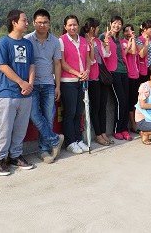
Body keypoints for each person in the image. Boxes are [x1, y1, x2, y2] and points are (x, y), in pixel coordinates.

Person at [0, 10, 35, 176]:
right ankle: (0, 158)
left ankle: (15, 155)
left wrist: (29, 84)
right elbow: (3, 66)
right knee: (4, 128)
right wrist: (21, 82)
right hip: (7, 92)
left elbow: (32, 65)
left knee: (20, 128)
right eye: (24, 20)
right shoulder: (3, 42)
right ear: (14, 22)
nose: (27, 23)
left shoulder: (28, 44)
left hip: (25, 93)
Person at [24, 9, 65, 164]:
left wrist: (57, 86)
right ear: (33, 23)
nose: (42, 25)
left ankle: (43, 150)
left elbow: (57, 64)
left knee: (48, 117)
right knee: (33, 114)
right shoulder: (27, 40)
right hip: (32, 84)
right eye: (39, 22)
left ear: (49, 23)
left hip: (48, 83)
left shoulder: (55, 41)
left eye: (45, 22)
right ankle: (55, 139)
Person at [59, 15, 93, 154]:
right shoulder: (61, 40)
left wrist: (87, 71)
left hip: (82, 81)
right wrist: (77, 73)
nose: (72, 27)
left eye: (75, 25)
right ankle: (70, 141)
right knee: (70, 112)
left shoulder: (84, 41)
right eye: (70, 25)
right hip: (68, 81)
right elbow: (62, 63)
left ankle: (78, 139)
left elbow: (88, 60)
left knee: (79, 112)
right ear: (65, 27)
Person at [80, 17, 113, 146]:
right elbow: (91, 60)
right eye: (97, 27)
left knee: (102, 107)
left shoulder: (98, 41)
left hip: (102, 77)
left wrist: (106, 43)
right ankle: (98, 135)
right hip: (92, 77)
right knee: (96, 107)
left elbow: (106, 55)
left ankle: (104, 133)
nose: (98, 29)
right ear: (93, 28)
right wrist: (91, 47)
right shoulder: (83, 41)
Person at [100, 16, 132, 141]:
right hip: (113, 71)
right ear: (110, 23)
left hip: (124, 70)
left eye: (119, 24)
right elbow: (101, 53)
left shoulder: (119, 40)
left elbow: (122, 55)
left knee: (126, 101)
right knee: (120, 101)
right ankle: (117, 129)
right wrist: (106, 39)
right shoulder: (103, 36)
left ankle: (124, 128)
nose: (117, 26)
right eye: (114, 23)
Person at [120, 24, 139, 134]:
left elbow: (136, 54)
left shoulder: (134, 42)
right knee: (131, 102)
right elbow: (131, 52)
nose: (129, 33)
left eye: (131, 31)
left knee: (136, 101)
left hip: (136, 75)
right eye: (126, 31)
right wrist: (131, 40)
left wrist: (133, 40)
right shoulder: (123, 43)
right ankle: (133, 125)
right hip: (128, 75)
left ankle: (137, 122)